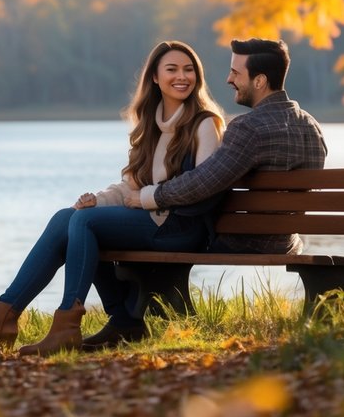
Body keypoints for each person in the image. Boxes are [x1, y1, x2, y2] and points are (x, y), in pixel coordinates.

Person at [0, 40, 226, 356]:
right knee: (68, 217)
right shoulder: (150, 124)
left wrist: (147, 198)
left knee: (84, 224)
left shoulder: (204, 123)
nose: (182, 77)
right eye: (172, 69)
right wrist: (100, 199)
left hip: (183, 227)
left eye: (189, 70)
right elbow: (129, 185)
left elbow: (202, 186)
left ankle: (67, 325)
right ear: (155, 78)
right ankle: (7, 312)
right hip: (154, 219)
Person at [129, 38, 327, 256]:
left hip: (244, 239)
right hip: (289, 240)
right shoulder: (312, 127)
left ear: (259, 81)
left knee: (132, 231)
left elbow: (203, 182)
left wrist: (151, 196)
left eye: (235, 73)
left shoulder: (248, 128)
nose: (229, 79)